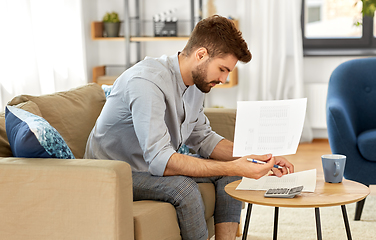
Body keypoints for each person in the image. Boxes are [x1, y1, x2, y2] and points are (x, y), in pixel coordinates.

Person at [85, 15, 294, 240]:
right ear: (201, 54)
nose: (223, 79)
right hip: (114, 171)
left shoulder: (195, 85)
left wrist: (257, 158)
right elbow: (160, 160)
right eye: (222, 69)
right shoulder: (146, 82)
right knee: (184, 189)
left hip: (147, 166)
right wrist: (235, 166)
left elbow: (203, 139)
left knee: (229, 177)